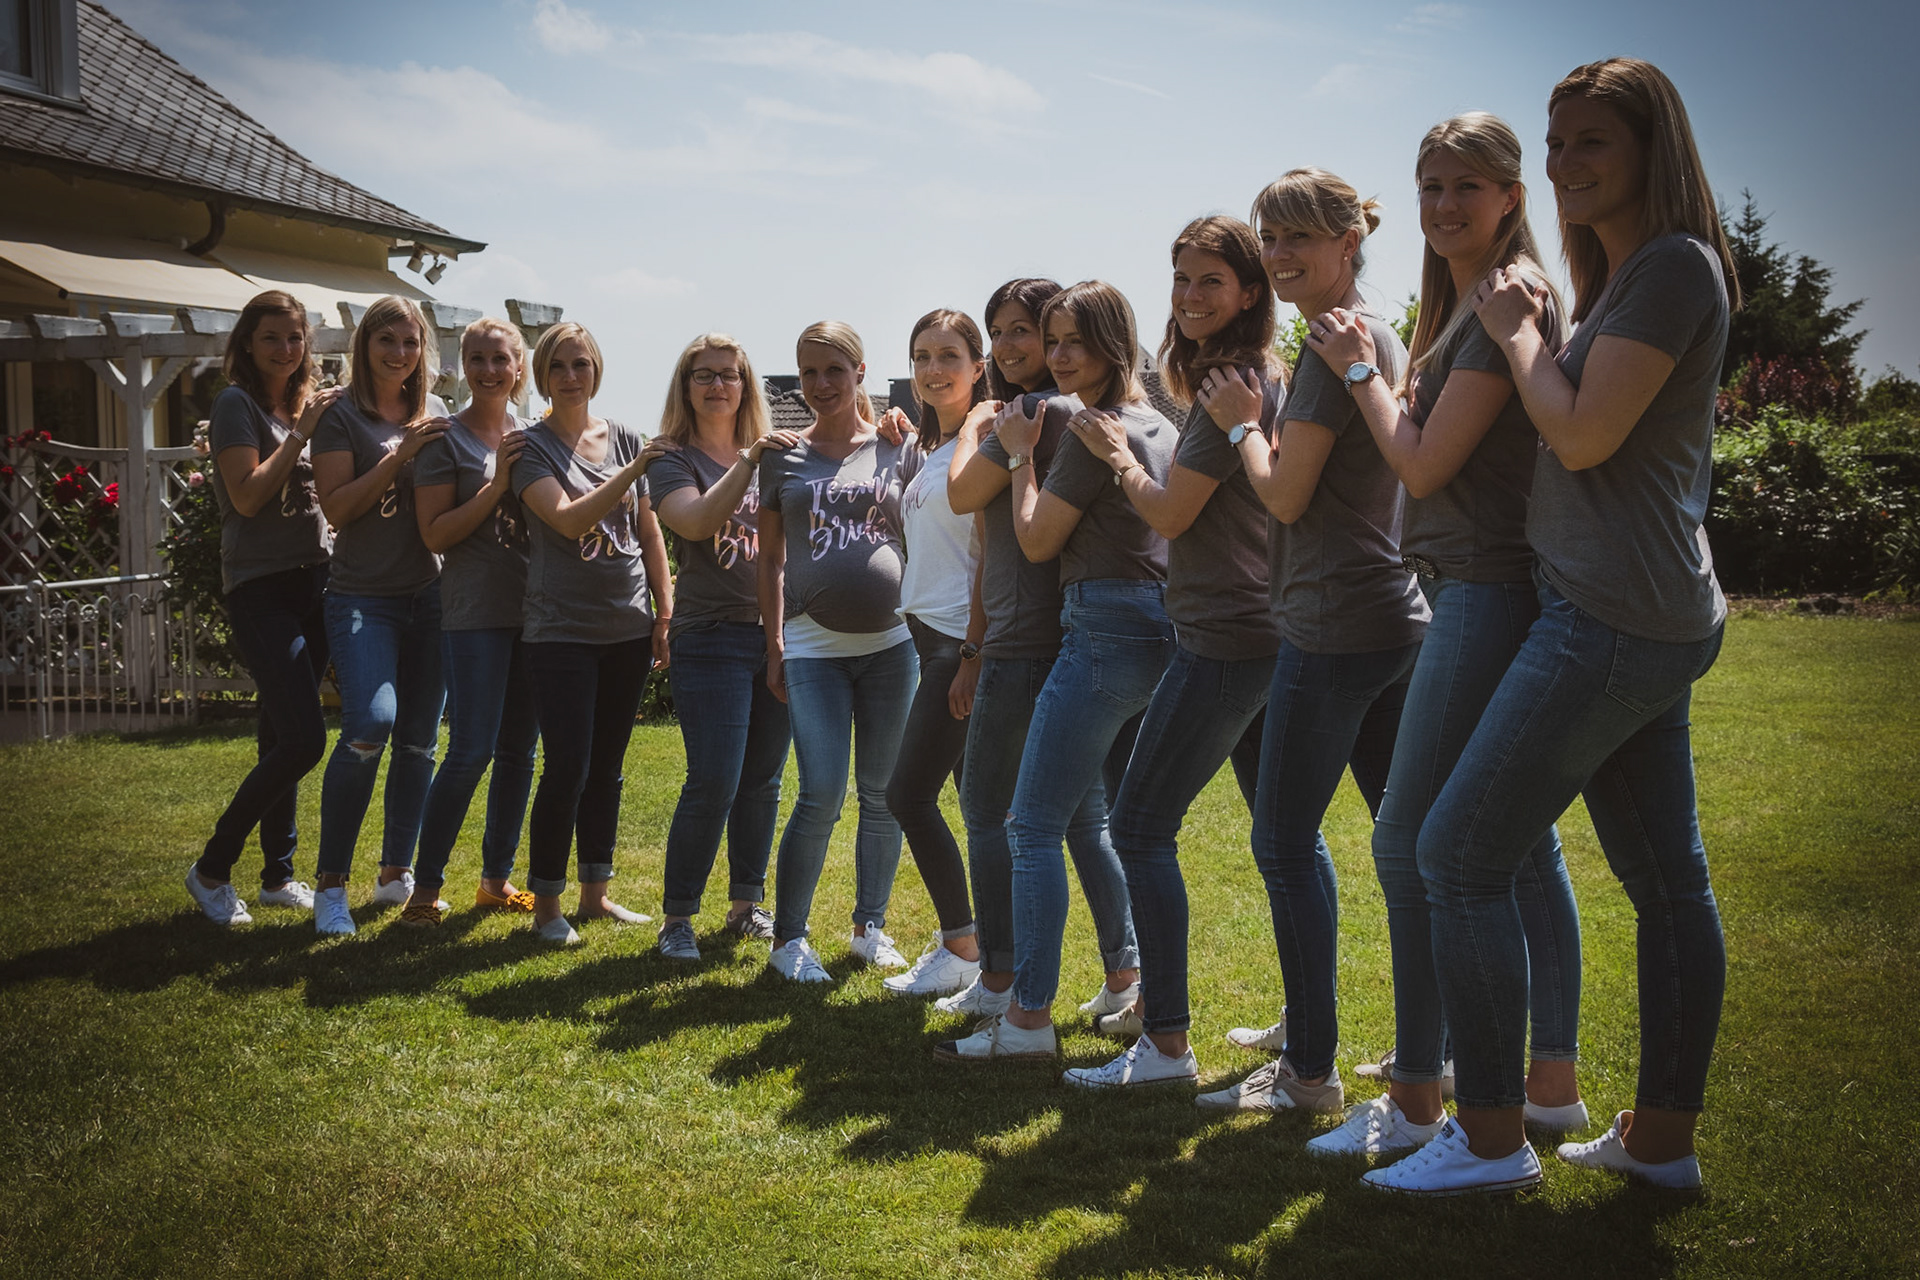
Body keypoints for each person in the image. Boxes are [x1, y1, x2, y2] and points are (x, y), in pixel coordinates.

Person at [1366, 58, 1739, 1195]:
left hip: (1610, 616)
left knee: (1454, 854)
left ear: (1652, 150)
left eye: (1593, 142)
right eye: (1559, 140)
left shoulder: (1673, 266)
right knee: (1664, 881)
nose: (1570, 162)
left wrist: (1519, 333)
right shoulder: (1626, 273)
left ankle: (1487, 1140)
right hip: (1624, 606)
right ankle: (1659, 1144)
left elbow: (1580, 435)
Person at [1301, 113, 1586, 1157]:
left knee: (1408, 840)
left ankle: (1423, 1095)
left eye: (1468, 185)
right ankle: (1548, 1083)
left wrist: (1358, 371)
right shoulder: (1464, 304)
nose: (1444, 204)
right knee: (1521, 845)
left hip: (1484, 589)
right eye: (1430, 185)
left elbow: (1421, 464)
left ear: (1512, 196)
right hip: (1470, 585)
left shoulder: (1508, 297)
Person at [1193, 170, 1428, 1111]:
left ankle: (1307, 1073)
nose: (1280, 254)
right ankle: (1428, 1054)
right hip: (1390, 617)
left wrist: (1242, 427)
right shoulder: (1368, 333)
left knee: (1285, 840)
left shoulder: (1335, 345)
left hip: (1333, 625)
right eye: (1271, 238)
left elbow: (1284, 495)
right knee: (1402, 844)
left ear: (1347, 241)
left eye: (1298, 237)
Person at [1055, 218, 1283, 1088]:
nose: (1189, 296)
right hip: (1265, 628)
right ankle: (1306, 1030)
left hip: (1223, 634)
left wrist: (1118, 457)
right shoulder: (1259, 375)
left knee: (1140, 826)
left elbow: (1170, 514)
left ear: (1250, 292)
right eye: (1181, 278)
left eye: (1210, 281)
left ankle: (1166, 1043)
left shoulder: (1229, 384)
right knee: (1287, 840)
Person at [935, 280, 1169, 1062]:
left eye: (1031, 333)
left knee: (1011, 819)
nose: (1021, 348)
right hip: (1138, 631)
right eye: (1002, 332)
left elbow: (973, 500)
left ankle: (1014, 995)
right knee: (1097, 823)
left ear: (1110, 343)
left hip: (1060, 636)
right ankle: (1129, 979)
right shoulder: (1148, 420)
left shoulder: (1048, 415)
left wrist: (984, 429)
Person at [758, 321, 920, 982]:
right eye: (809, 372)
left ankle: (868, 927)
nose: (821, 384)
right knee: (820, 792)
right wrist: (773, 642)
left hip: (893, 648)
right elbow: (770, 558)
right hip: (812, 649)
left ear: (860, 372)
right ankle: (789, 939)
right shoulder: (782, 456)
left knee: (883, 794)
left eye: (834, 370)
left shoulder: (897, 446)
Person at [638, 334, 797, 960]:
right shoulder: (670, 458)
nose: (717, 386)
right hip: (709, 637)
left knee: (762, 780)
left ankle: (746, 905)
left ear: (745, 384)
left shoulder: (775, 453)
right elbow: (698, 521)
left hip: (774, 634)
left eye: (729, 374)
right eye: (703, 375)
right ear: (686, 386)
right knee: (714, 779)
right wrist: (751, 461)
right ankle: (678, 919)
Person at [512, 322, 671, 945]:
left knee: (607, 768)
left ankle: (595, 894)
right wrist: (633, 472)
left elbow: (649, 532)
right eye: (558, 366)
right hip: (561, 632)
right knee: (567, 768)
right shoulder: (528, 448)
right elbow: (570, 520)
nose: (571, 376)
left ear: (596, 369)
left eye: (580, 364)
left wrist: (664, 611)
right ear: (542, 376)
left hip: (627, 628)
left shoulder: (625, 437)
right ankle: (547, 907)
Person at [186, 290, 336, 925]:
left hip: (317, 582)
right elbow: (247, 497)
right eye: (271, 336)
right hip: (260, 587)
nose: (285, 348)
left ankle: (278, 876)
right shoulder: (236, 405)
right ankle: (211, 869)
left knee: (279, 733)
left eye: (295, 337)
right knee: (304, 739)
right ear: (247, 343)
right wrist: (301, 434)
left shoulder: (306, 403)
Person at [309, 295, 450, 936]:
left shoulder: (437, 413)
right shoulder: (339, 414)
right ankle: (331, 886)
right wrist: (399, 455)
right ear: (364, 345)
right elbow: (337, 509)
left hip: (431, 596)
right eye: (386, 340)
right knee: (371, 724)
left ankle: (396, 873)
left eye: (410, 342)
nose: (399, 353)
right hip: (363, 596)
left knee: (419, 740)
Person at [402, 318, 538, 925]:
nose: (489, 370)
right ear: (463, 367)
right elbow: (435, 534)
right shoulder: (443, 440)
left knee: (519, 754)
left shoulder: (534, 436)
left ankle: (495, 882)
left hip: (535, 614)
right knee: (470, 751)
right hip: (474, 613)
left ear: (518, 368)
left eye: (500, 359)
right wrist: (498, 484)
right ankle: (424, 892)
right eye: (477, 359)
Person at [879, 310, 990, 997]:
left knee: (908, 795)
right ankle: (992, 960)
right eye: (922, 356)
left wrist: (973, 653)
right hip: (935, 642)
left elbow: (990, 556)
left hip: (958, 644)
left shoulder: (983, 440)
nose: (933, 368)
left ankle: (962, 945)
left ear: (979, 366)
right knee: (977, 807)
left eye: (949, 355)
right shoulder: (937, 446)